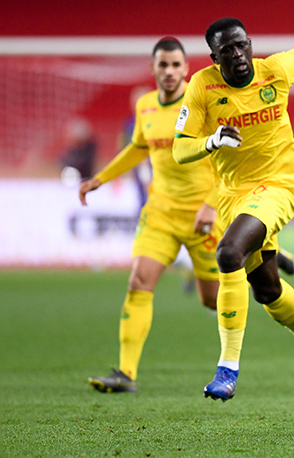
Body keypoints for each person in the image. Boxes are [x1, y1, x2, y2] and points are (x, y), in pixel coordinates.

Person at [173, 18, 294, 401]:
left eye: (242, 45)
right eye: (227, 50)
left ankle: (227, 369)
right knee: (267, 290)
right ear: (214, 57)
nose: (238, 54)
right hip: (233, 197)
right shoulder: (202, 86)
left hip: (279, 185)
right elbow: (180, 148)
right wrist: (211, 141)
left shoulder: (276, 69)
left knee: (228, 253)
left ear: (250, 44)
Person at [82, 37, 220, 393]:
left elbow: (227, 157)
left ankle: (257, 262)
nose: (169, 71)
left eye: (175, 65)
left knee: (212, 299)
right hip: (160, 213)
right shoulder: (145, 106)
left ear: (186, 68)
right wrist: (100, 178)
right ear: (153, 69)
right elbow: (137, 148)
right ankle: (126, 373)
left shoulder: (203, 102)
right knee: (138, 282)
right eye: (163, 65)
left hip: (203, 216)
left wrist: (213, 203)